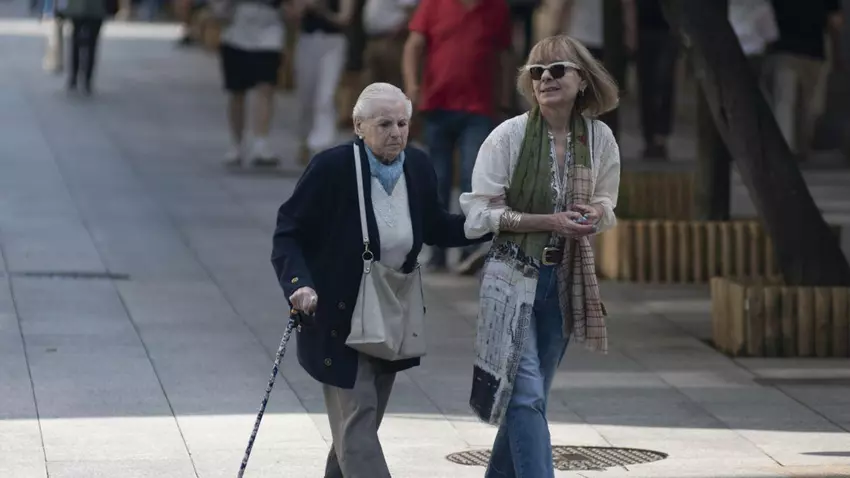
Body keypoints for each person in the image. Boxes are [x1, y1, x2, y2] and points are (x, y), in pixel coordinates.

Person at [271, 83, 489, 478]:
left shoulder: (417, 165)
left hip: (390, 308)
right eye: (384, 124)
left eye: (403, 124)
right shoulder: (332, 167)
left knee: (359, 426)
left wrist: (488, 224)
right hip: (337, 314)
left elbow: (434, 226)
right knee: (359, 418)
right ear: (359, 126)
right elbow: (288, 232)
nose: (396, 133)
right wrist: (299, 284)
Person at [459, 35, 621, 478]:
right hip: (510, 275)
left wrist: (593, 213)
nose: (546, 78)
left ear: (582, 80)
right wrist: (547, 221)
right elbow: (479, 213)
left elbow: (607, 203)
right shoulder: (507, 136)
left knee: (527, 398)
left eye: (557, 70)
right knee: (526, 396)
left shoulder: (600, 138)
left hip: (564, 278)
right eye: (537, 72)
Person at [402, 0, 513, 273]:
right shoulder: (434, 4)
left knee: (473, 177)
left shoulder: (496, 7)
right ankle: (436, 251)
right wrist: (412, 87)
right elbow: (414, 45)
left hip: (479, 108)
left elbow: (505, 55)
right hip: (436, 106)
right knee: (436, 180)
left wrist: (505, 99)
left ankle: (470, 250)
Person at [215, 0, 289, 167]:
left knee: (266, 87)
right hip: (236, 31)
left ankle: (261, 143)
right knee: (237, 91)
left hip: (270, 32)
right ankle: (236, 144)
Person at [294, 0, 356, 164]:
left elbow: (345, 18)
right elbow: (292, 14)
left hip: (333, 41)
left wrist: (323, 10)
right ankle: (304, 139)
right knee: (306, 94)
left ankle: (321, 144)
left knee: (326, 95)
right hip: (307, 39)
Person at [62, 0, 109, 94]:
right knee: (91, 45)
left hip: (78, 8)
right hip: (95, 9)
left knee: (77, 43)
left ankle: (75, 77)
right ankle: (86, 79)